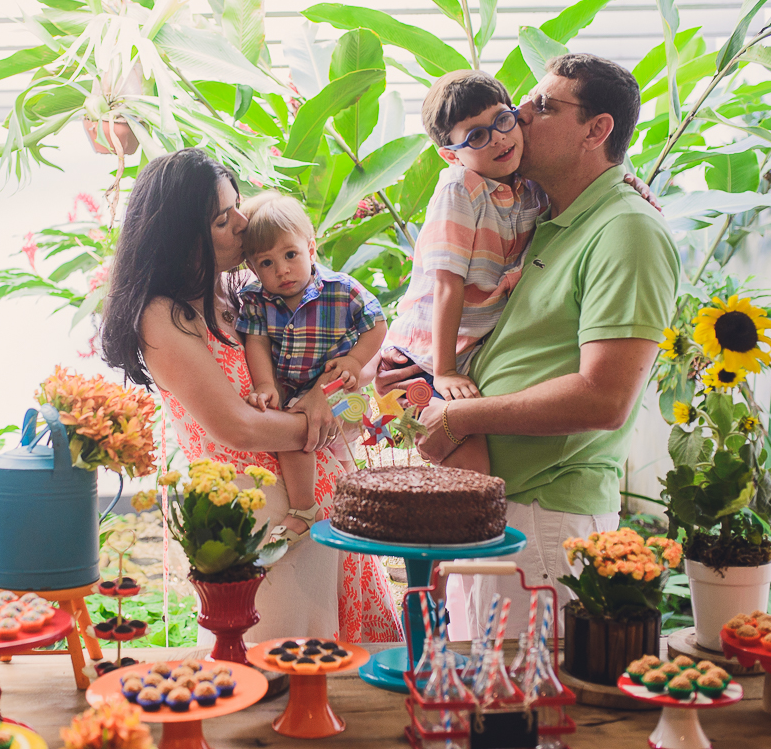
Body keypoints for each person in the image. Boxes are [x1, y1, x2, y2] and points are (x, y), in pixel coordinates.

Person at [379, 54, 680, 637]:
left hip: (544, 515)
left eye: (543, 106)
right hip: (504, 507)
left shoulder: (628, 229)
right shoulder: (547, 215)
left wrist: (459, 413)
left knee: (518, 707)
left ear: (597, 130)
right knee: (480, 694)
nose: (521, 112)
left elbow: (605, 397)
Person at [100, 148, 399, 643]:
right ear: (183, 237)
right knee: (279, 670)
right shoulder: (163, 316)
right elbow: (237, 426)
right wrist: (317, 425)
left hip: (324, 503)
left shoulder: (245, 288)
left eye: (237, 206)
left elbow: (357, 359)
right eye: (223, 218)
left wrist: (332, 395)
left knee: (347, 677)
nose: (242, 223)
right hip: (257, 522)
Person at [383, 69, 549, 476]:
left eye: (502, 120)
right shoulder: (461, 188)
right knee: (471, 471)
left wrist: (630, 181)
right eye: (476, 136)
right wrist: (444, 372)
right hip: (421, 357)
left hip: (467, 350)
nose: (497, 138)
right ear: (451, 153)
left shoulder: (530, 183)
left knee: (467, 479)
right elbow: (446, 285)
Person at [236, 192, 388, 547]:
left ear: (311, 249)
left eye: (290, 255)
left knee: (337, 452)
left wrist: (353, 360)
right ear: (253, 269)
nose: (282, 270)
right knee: (292, 435)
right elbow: (255, 341)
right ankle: (305, 509)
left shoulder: (341, 290)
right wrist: (264, 384)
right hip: (292, 391)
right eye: (266, 263)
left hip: (338, 388)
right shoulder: (257, 299)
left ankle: (352, 504)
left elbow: (376, 325)